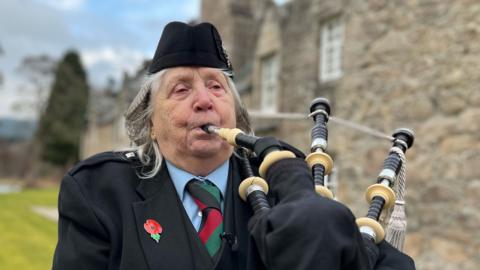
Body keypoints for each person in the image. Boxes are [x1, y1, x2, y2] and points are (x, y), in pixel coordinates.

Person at [52, 21, 415, 270]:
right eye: (181, 89)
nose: (204, 101)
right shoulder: (97, 192)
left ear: (236, 114)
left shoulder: (282, 178)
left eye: (216, 87)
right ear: (148, 119)